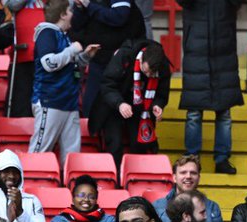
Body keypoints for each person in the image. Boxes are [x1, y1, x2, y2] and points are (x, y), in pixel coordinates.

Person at [177, 0, 242, 175]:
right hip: (196, 54)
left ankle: (221, 159)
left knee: (224, 114)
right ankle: (191, 159)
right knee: (194, 114)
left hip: (224, 53)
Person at [28, 0, 98, 162]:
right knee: (40, 150)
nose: (73, 14)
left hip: (69, 102)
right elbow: (49, 63)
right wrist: (72, 50)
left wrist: (86, 56)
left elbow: (70, 65)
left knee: (72, 155)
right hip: (49, 100)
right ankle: (29, 183)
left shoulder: (63, 36)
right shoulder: (47, 33)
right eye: (70, 10)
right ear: (62, 14)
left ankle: (67, 185)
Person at [94, 38, 170, 168]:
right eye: (145, 71)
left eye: (153, 74)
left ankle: (136, 176)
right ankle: (115, 176)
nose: (149, 76)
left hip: (141, 109)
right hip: (114, 105)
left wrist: (157, 105)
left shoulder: (163, 67)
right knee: (115, 143)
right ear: (141, 60)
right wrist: (120, 104)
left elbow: (161, 94)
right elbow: (107, 85)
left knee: (139, 144)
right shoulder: (125, 55)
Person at [72, 0, 144, 130]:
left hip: (122, 63)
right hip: (97, 59)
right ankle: (91, 146)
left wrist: (89, 6)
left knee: (118, 110)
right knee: (91, 106)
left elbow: (118, 17)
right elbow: (76, 25)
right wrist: (80, 8)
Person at [151, 155, 224, 222]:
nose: (188, 176)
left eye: (193, 173)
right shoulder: (158, 206)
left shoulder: (212, 207)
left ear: (198, 178)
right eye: (183, 172)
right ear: (174, 178)